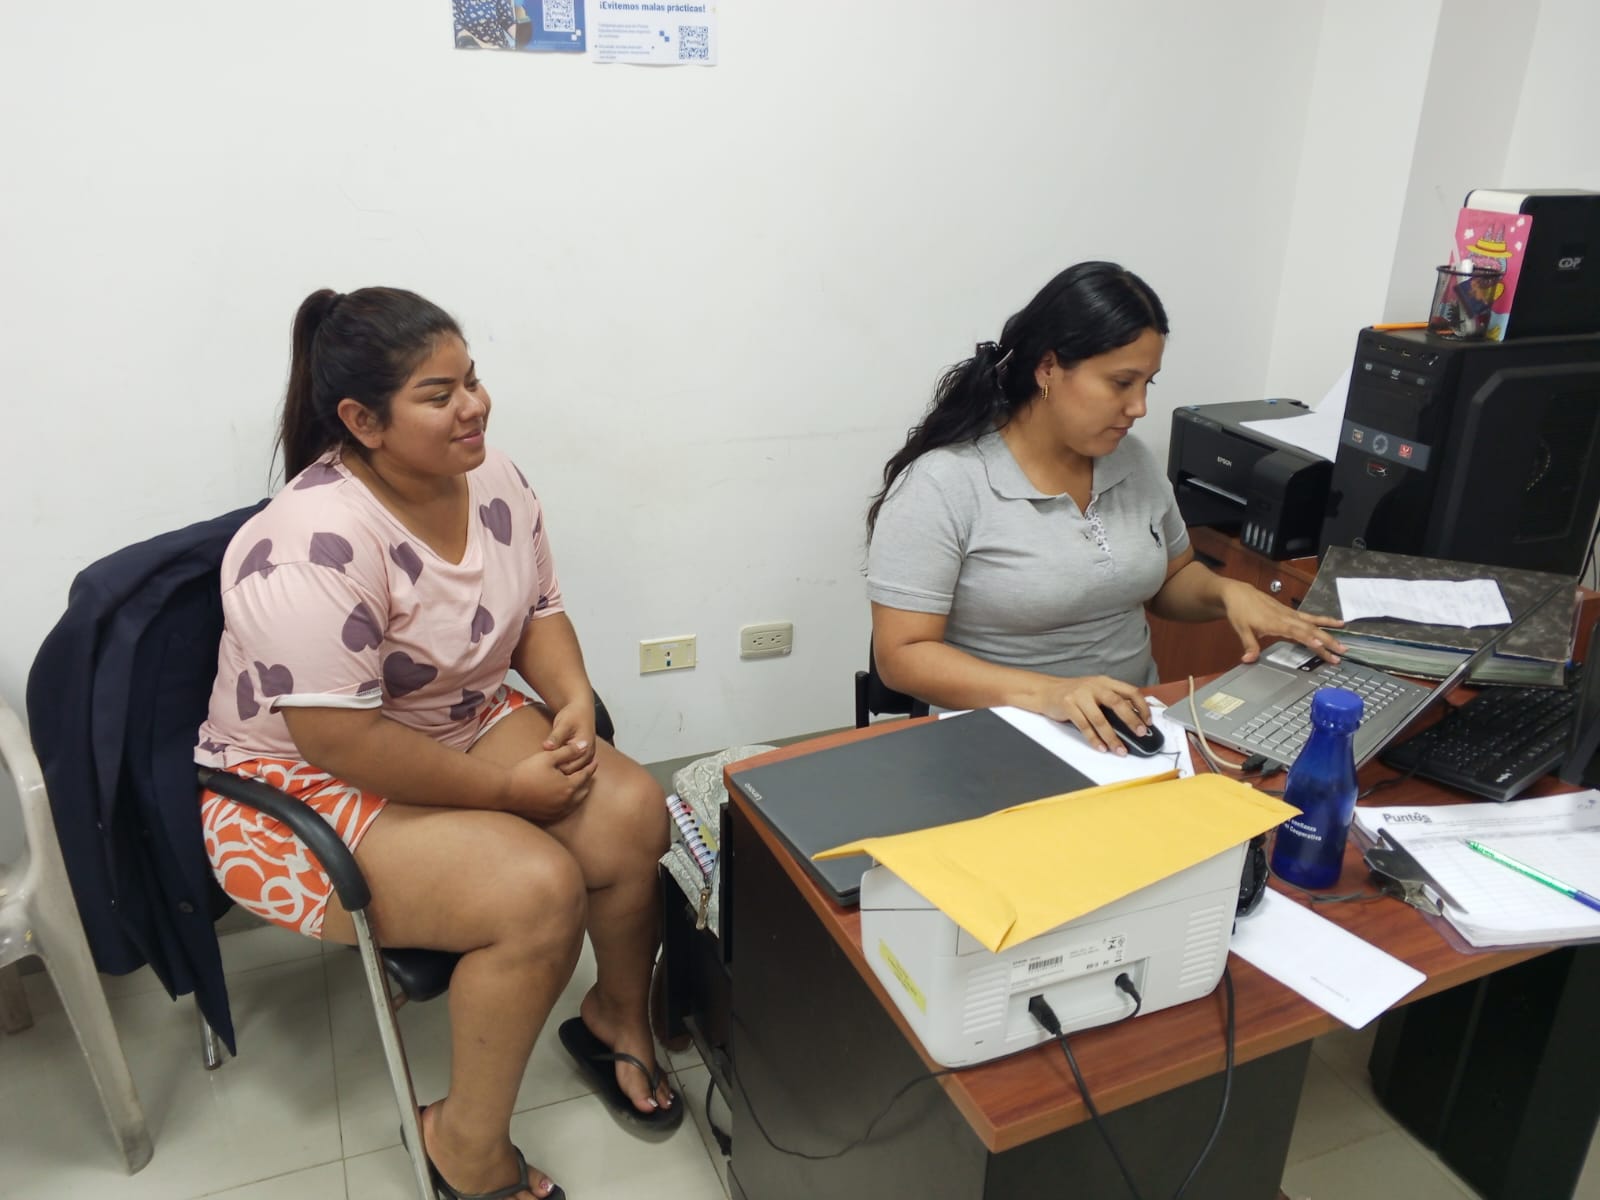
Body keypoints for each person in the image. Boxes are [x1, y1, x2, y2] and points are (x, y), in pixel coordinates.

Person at [195, 287, 675, 1200]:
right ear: (361, 421)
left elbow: (539, 610)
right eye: (439, 393)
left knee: (629, 812)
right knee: (535, 892)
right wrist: (507, 796)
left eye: (473, 380)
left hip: (451, 716)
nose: (473, 407)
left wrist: (573, 695)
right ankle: (462, 1144)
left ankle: (615, 1018)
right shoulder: (310, 545)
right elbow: (340, 740)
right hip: (293, 782)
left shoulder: (493, 478)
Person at [865, 262, 1344, 756]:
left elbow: (1171, 578)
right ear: (1048, 368)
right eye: (1121, 383)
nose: (1139, 407)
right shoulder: (943, 483)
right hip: (998, 740)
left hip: (1137, 731)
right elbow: (903, 656)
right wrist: (1049, 693)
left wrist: (1227, 592)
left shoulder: (1131, 460)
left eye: (1147, 384)